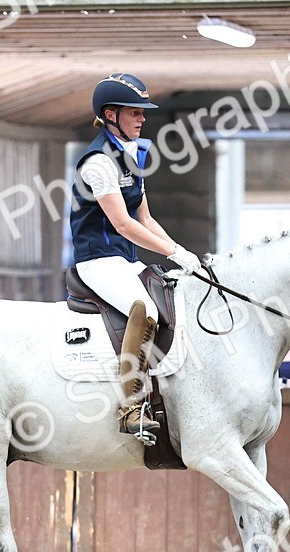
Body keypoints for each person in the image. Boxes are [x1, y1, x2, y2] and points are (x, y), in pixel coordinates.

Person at [69, 73, 202, 444]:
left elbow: (146, 218)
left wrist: (183, 254)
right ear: (110, 115)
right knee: (143, 308)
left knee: (175, 298)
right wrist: (173, 252)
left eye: (143, 112)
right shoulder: (98, 163)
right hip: (96, 260)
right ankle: (129, 407)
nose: (142, 118)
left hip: (123, 260)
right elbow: (124, 224)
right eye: (134, 112)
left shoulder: (131, 155)